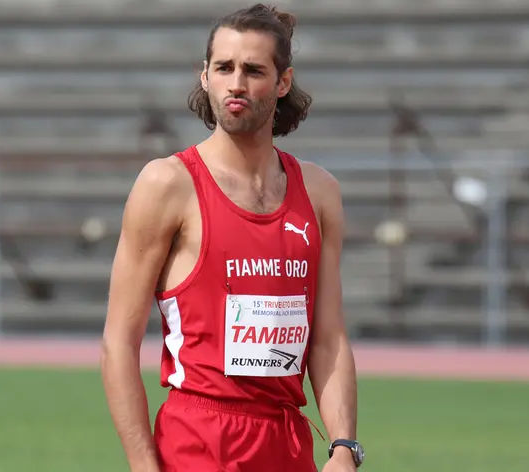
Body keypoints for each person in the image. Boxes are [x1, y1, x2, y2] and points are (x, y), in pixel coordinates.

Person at [100, 4, 362, 471]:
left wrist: (344, 448)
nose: (236, 84)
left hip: (287, 442)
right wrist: (143, 466)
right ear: (205, 76)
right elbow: (119, 341)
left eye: (253, 70)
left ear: (283, 83)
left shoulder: (319, 193)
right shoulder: (168, 185)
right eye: (224, 68)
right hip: (199, 442)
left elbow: (328, 339)